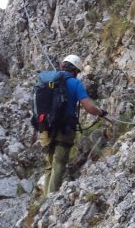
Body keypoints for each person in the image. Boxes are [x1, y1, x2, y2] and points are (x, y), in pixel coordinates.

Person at [39, 54, 108, 194]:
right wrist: (100, 112)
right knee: (58, 163)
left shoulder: (48, 80)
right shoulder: (75, 83)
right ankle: (50, 200)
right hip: (64, 129)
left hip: (45, 127)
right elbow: (89, 107)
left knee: (49, 165)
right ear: (75, 70)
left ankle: (45, 199)